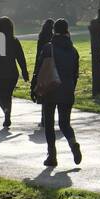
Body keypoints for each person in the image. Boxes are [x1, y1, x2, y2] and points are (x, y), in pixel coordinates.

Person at [31, 18, 83, 168]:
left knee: (49, 123)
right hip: (67, 90)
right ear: (67, 31)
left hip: (50, 90)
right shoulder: (73, 50)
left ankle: (52, 156)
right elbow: (75, 74)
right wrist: (71, 89)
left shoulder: (49, 48)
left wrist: (34, 87)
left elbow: (39, 69)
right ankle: (73, 144)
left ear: (54, 31)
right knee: (65, 123)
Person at [0, 16, 29, 129]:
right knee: (8, 95)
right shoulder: (14, 40)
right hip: (12, 73)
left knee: (1, 97)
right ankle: (7, 114)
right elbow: (21, 57)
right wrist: (24, 71)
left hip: (0, 73)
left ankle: (5, 111)